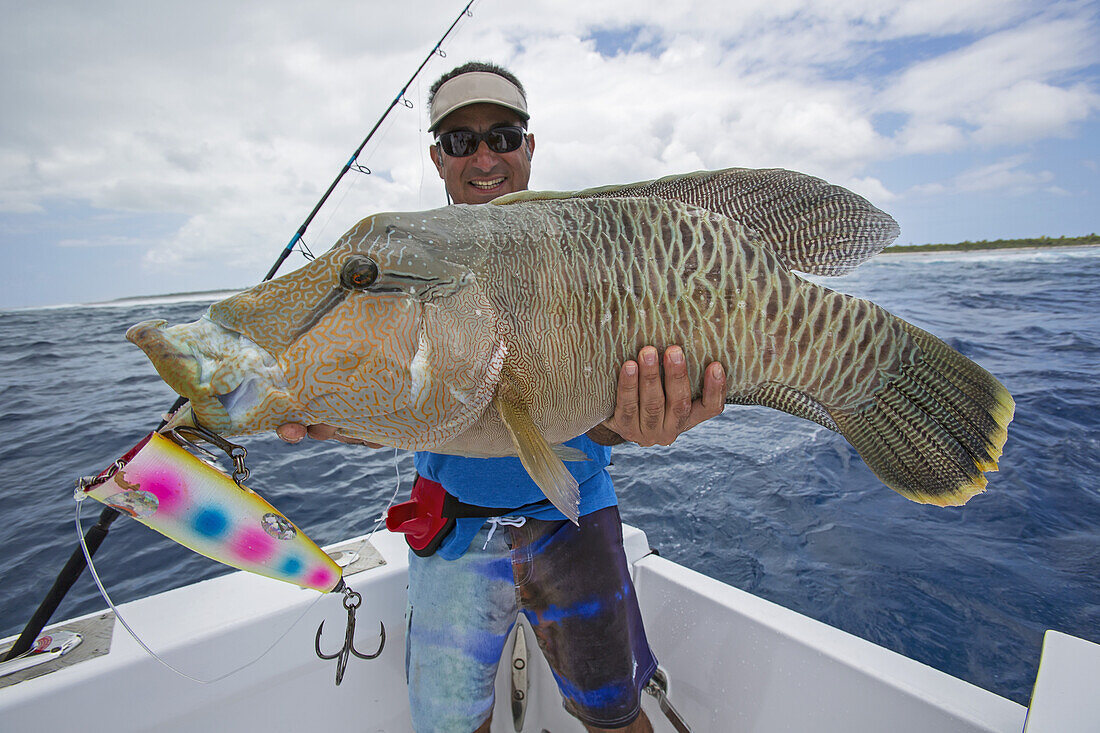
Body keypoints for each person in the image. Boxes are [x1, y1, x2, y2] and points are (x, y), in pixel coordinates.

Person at [278, 61, 727, 733]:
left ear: (529, 146)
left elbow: (602, 415)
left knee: (618, 717)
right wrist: (339, 411)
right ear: (437, 157)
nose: (484, 156)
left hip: (573, 520)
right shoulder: (405, 263)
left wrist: (642, 423)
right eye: (461, 141)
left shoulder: (591, 246)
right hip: (454, 531)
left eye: (503, 135)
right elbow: (399, 399)